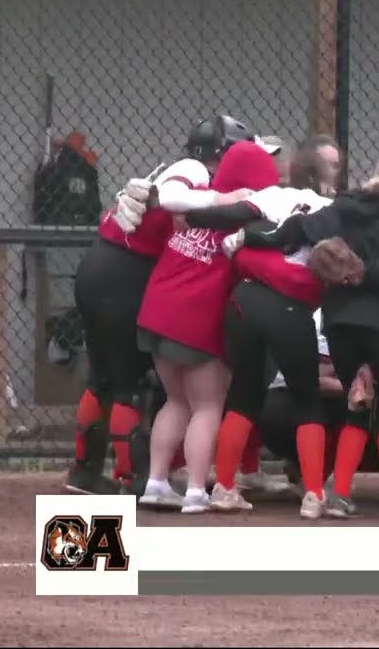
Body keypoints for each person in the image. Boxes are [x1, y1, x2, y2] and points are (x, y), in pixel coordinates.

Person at [230, 147, 379, 521]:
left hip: (341, 319)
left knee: (355, 405)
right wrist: (377, 274)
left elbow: (298, 229)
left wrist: (248, 238)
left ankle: (341, 494)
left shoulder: (345, 205)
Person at [63, 115, 272, 496]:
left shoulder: (194, 175)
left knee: (104, 376)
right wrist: (221, 199)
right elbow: (172, 198)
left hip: (105, 267)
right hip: (123, 273)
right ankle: (134, 478)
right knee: (126, 381)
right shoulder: (193, 169)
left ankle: (86, 471)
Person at [156, 146, 336, 518]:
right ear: (321, 178)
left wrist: (191, 218)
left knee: (243, 395)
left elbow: (231, 213)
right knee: (307, 400)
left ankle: (224, 487)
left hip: (245, 301)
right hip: (288, 306)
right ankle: (314, 494)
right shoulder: (326, 207)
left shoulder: (270, 196)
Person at [133, 141, 281, 513]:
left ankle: (156, 482)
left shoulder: (196, 202)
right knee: (207, 406)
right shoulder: (248, 221)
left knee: (176, 401)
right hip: (196, 321)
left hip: (157, 312)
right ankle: (196, 491)